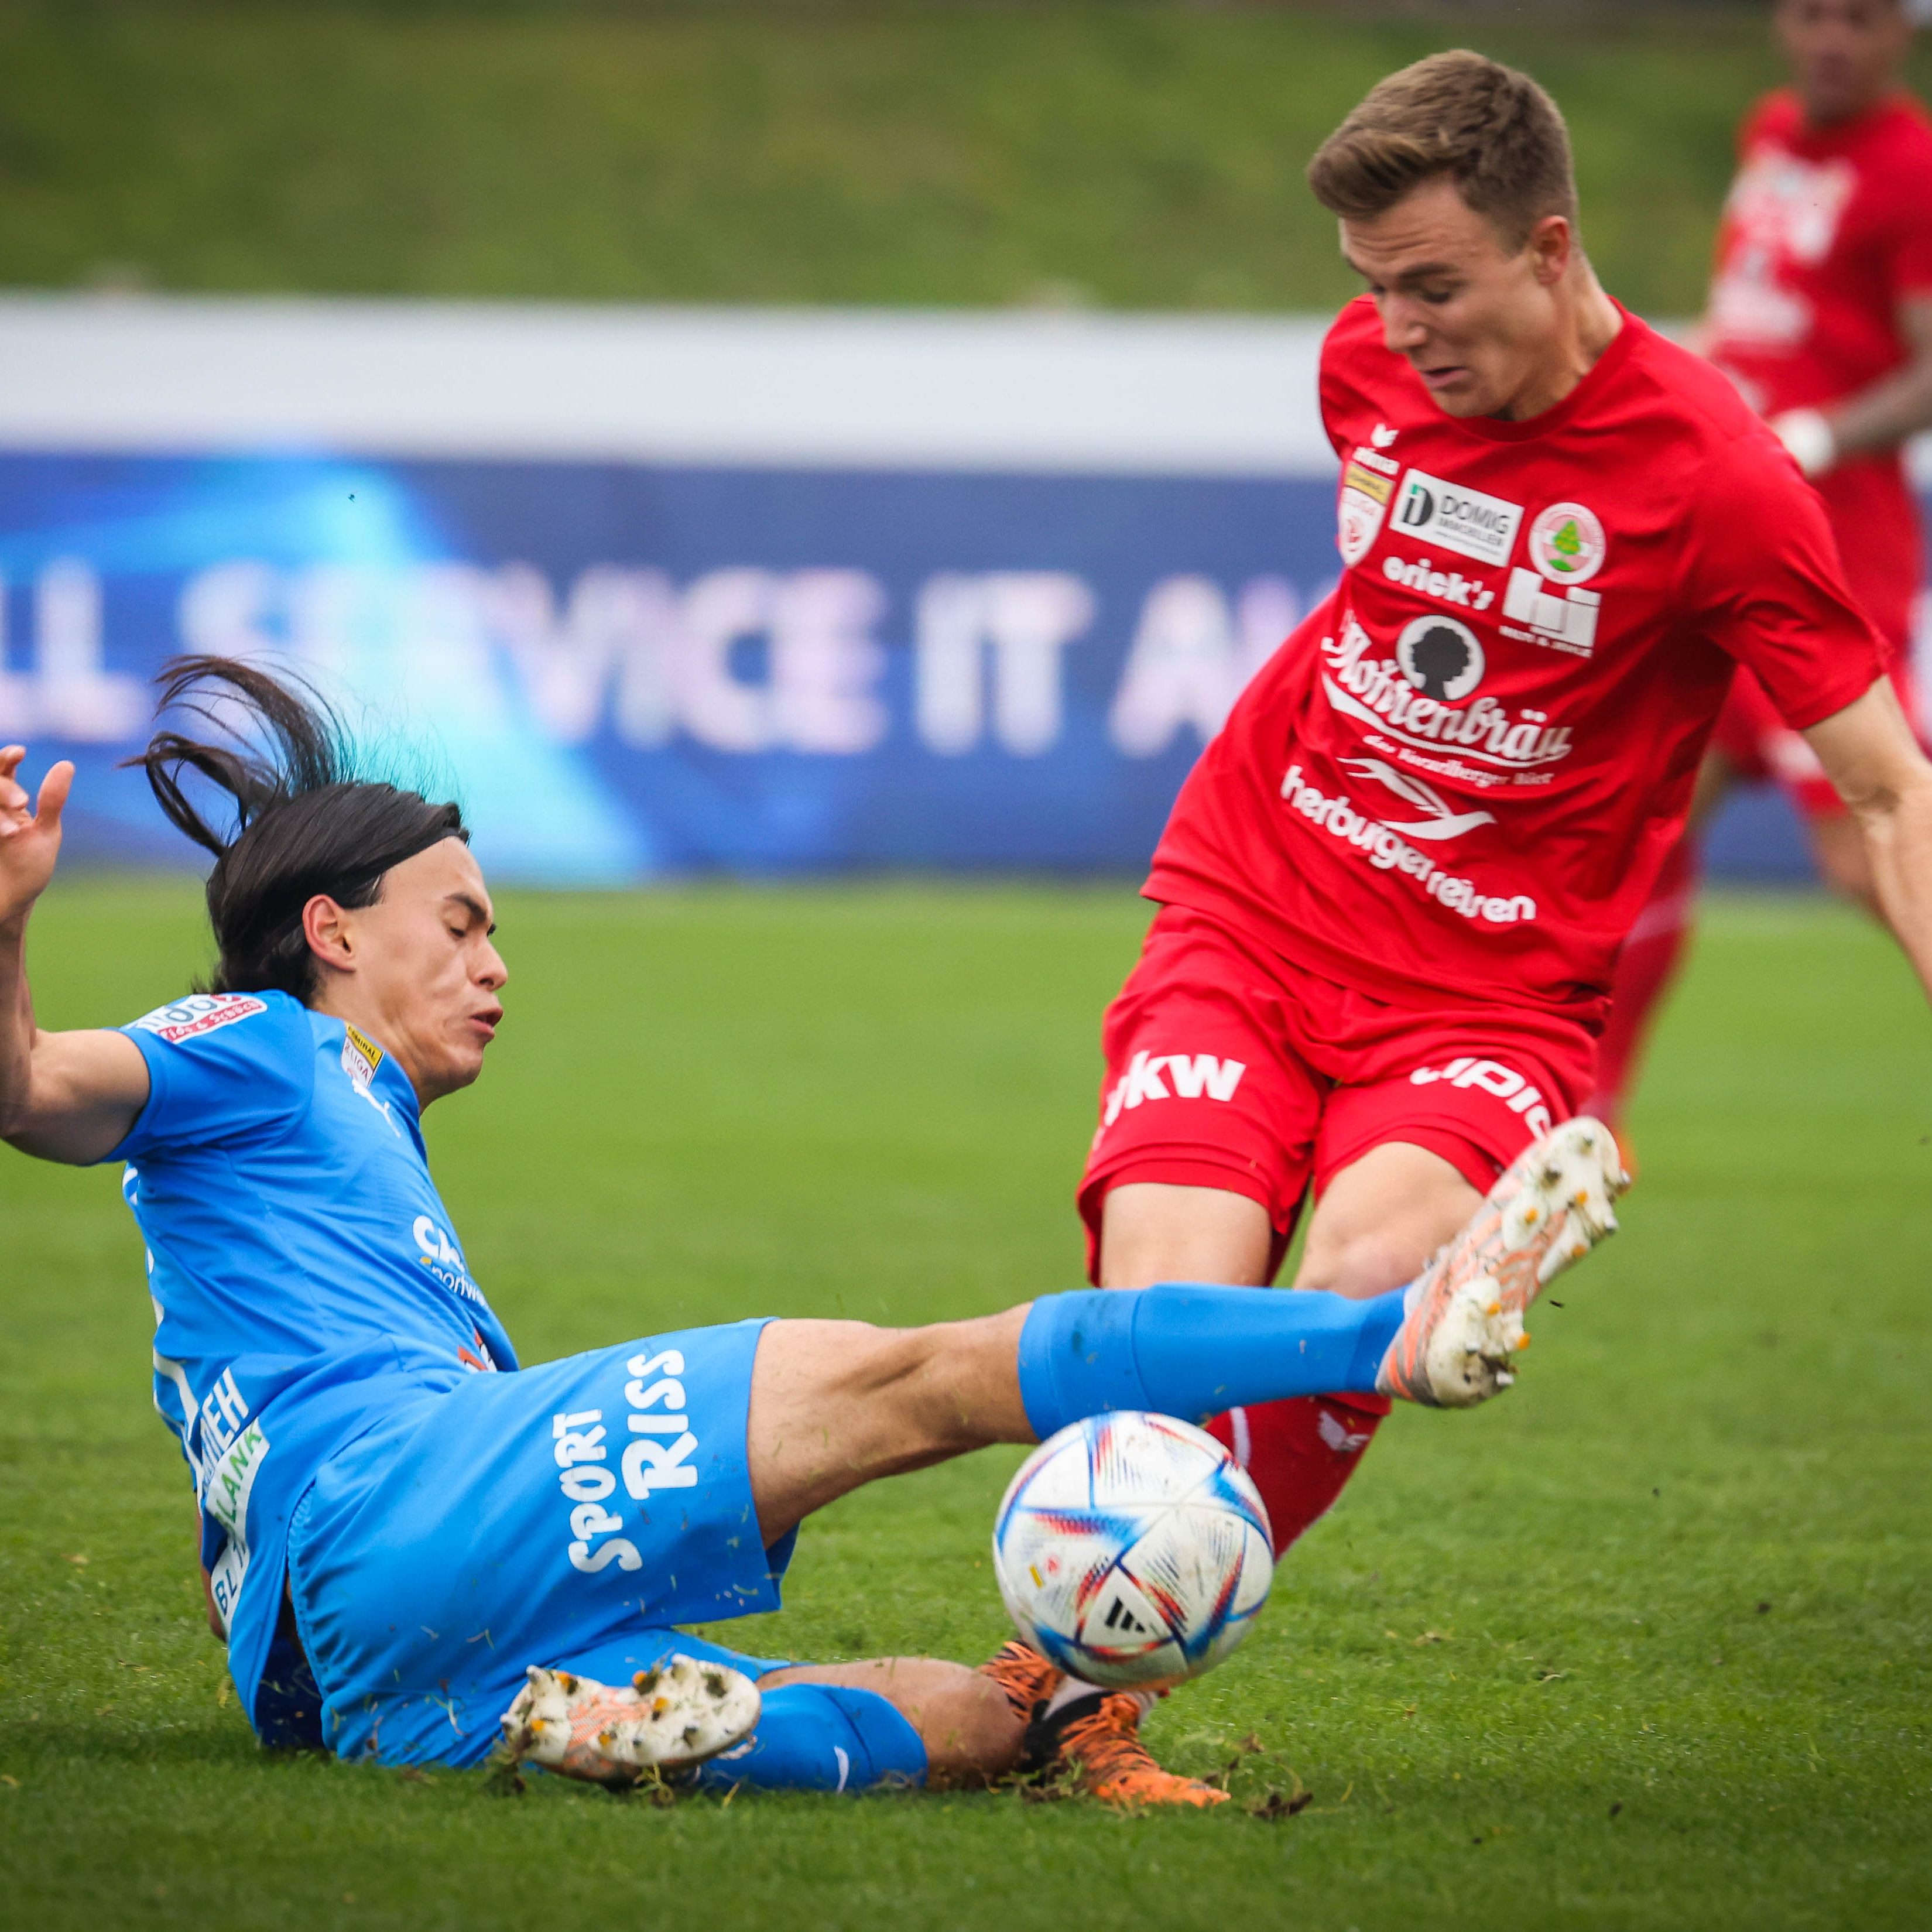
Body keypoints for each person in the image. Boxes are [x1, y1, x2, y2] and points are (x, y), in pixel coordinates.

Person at [0, 658, 1623, 1804]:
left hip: (349, 1685)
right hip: (417, 1500)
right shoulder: (257, 1042)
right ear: (333, 932)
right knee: (922, 1376)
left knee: (980, 1727)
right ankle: (1390, 1329)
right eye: (465, 922)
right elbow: (31, 1086)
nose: (496, 963)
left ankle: (602, 1726)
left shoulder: (324, 1139)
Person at [1071, 47, 1932, 1756]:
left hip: (1488, 991)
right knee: (1149, 1349)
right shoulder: (1364, 374)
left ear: (1551, 249)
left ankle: (1076, 1698)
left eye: (1436, 287)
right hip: (1254, 899)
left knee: (1363, 1294)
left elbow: (1890, 785)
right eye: (1374, 291)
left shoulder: (1717, 479)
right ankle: (1076, 1682)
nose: (1398, 330)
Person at [1592, 0, 1932, 1131]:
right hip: (1723, 537)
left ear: (1904, 35)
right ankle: (1588, 1114)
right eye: (1811, 13)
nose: (1831, 38)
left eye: (1861, 19)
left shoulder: (1911, 168)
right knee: (1654, 820)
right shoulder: (1772, 132)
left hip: (1835, 556)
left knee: (1865, 846)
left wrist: (1819, 436)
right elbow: (1758, 324)